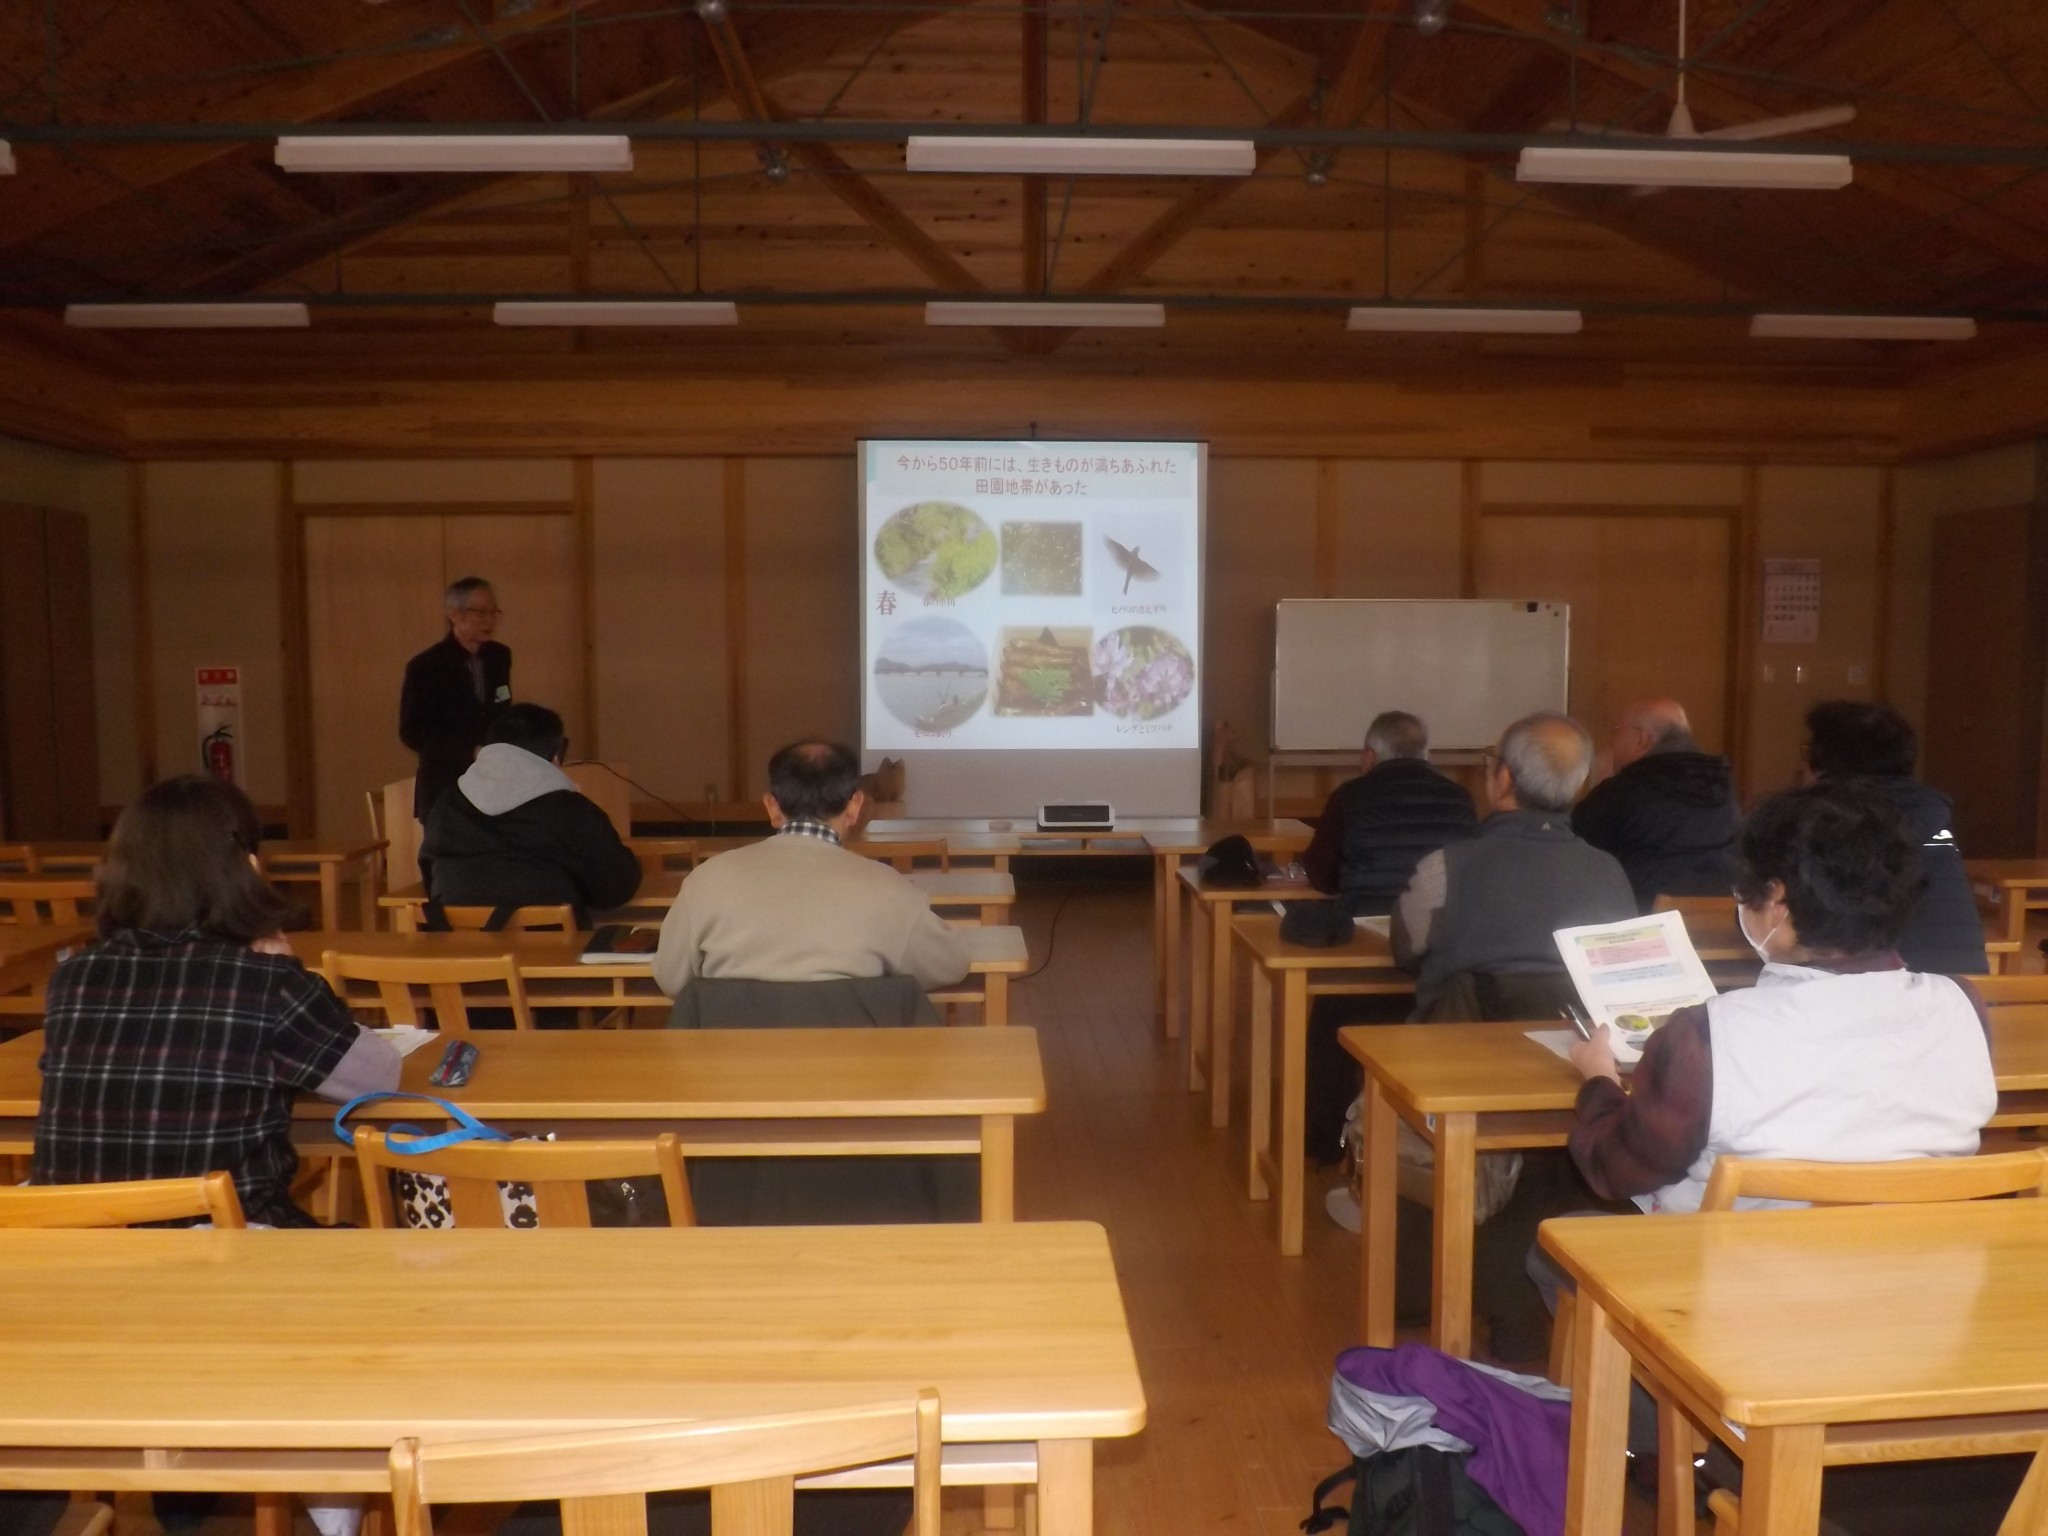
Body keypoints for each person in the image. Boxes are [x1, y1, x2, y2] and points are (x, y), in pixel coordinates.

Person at [1564, 779, 1996, 1214]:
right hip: (1926, 1253)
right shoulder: (1961, 1005)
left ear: (1776, 902)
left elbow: (1613, 1169)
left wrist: (1599, 1080)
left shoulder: (1709, 1035)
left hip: (1737, 1257)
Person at [32, 776, 400, 1228]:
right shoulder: (267, 982)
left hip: (80, 1248)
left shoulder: (73, 978)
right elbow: (378, 1079)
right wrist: (292, 971)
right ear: (246, 869)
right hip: (222, 1249)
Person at [654, 739, 970, 1002]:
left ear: (772, 807)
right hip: (854, 1058)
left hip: (732, 1058)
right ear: (855, 807)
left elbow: (671, 978)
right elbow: (949, 964)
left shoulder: (706, 880)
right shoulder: (890, 887)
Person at [1393, 712, 1637, 1020]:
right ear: (1577, 786)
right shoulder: (1610, 873)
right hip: (1574, 1047)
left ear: (1504, 778)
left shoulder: (1442, 869)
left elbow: (1404, 951)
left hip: (1459, 1045)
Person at [1802, 699, 1988, 975]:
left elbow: (1778, 913)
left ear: (1825, 761)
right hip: (1964, 983)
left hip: (1881, 987)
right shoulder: (1931, 811)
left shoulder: (1828, 816)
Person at [419, 702, 640, 919]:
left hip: (458, 939)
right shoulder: (571, 809)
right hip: (553, 939)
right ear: (555, 756)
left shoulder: (446, 804)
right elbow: (615, 889)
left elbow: (430, 874)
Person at [1571, 696, 1739, 912]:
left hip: (1643, 919)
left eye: (1616, 731)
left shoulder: (1623, 792)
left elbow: (1575, 850)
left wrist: (1599, 787)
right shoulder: (1723, 787)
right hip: (1718, 918)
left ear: (1642, 739)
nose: (1611, 742)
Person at [1302, 710, 1478, 916]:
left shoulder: (1348, 798)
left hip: (1367, 921)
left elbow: (1322, 877)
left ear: (1369, 756)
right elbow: (1471, 873)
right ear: (1425, 754)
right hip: (1440, 926)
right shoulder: (1460, 799)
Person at [399, 576, 512, 822]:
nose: (489, 620)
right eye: (480, 612)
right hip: (445, 785)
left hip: (493, 785)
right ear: (454, 614)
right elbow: (412, 731)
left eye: (494, 612)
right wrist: (469, 750)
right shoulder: (426, 665)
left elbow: (500, 709)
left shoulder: (499, 656)